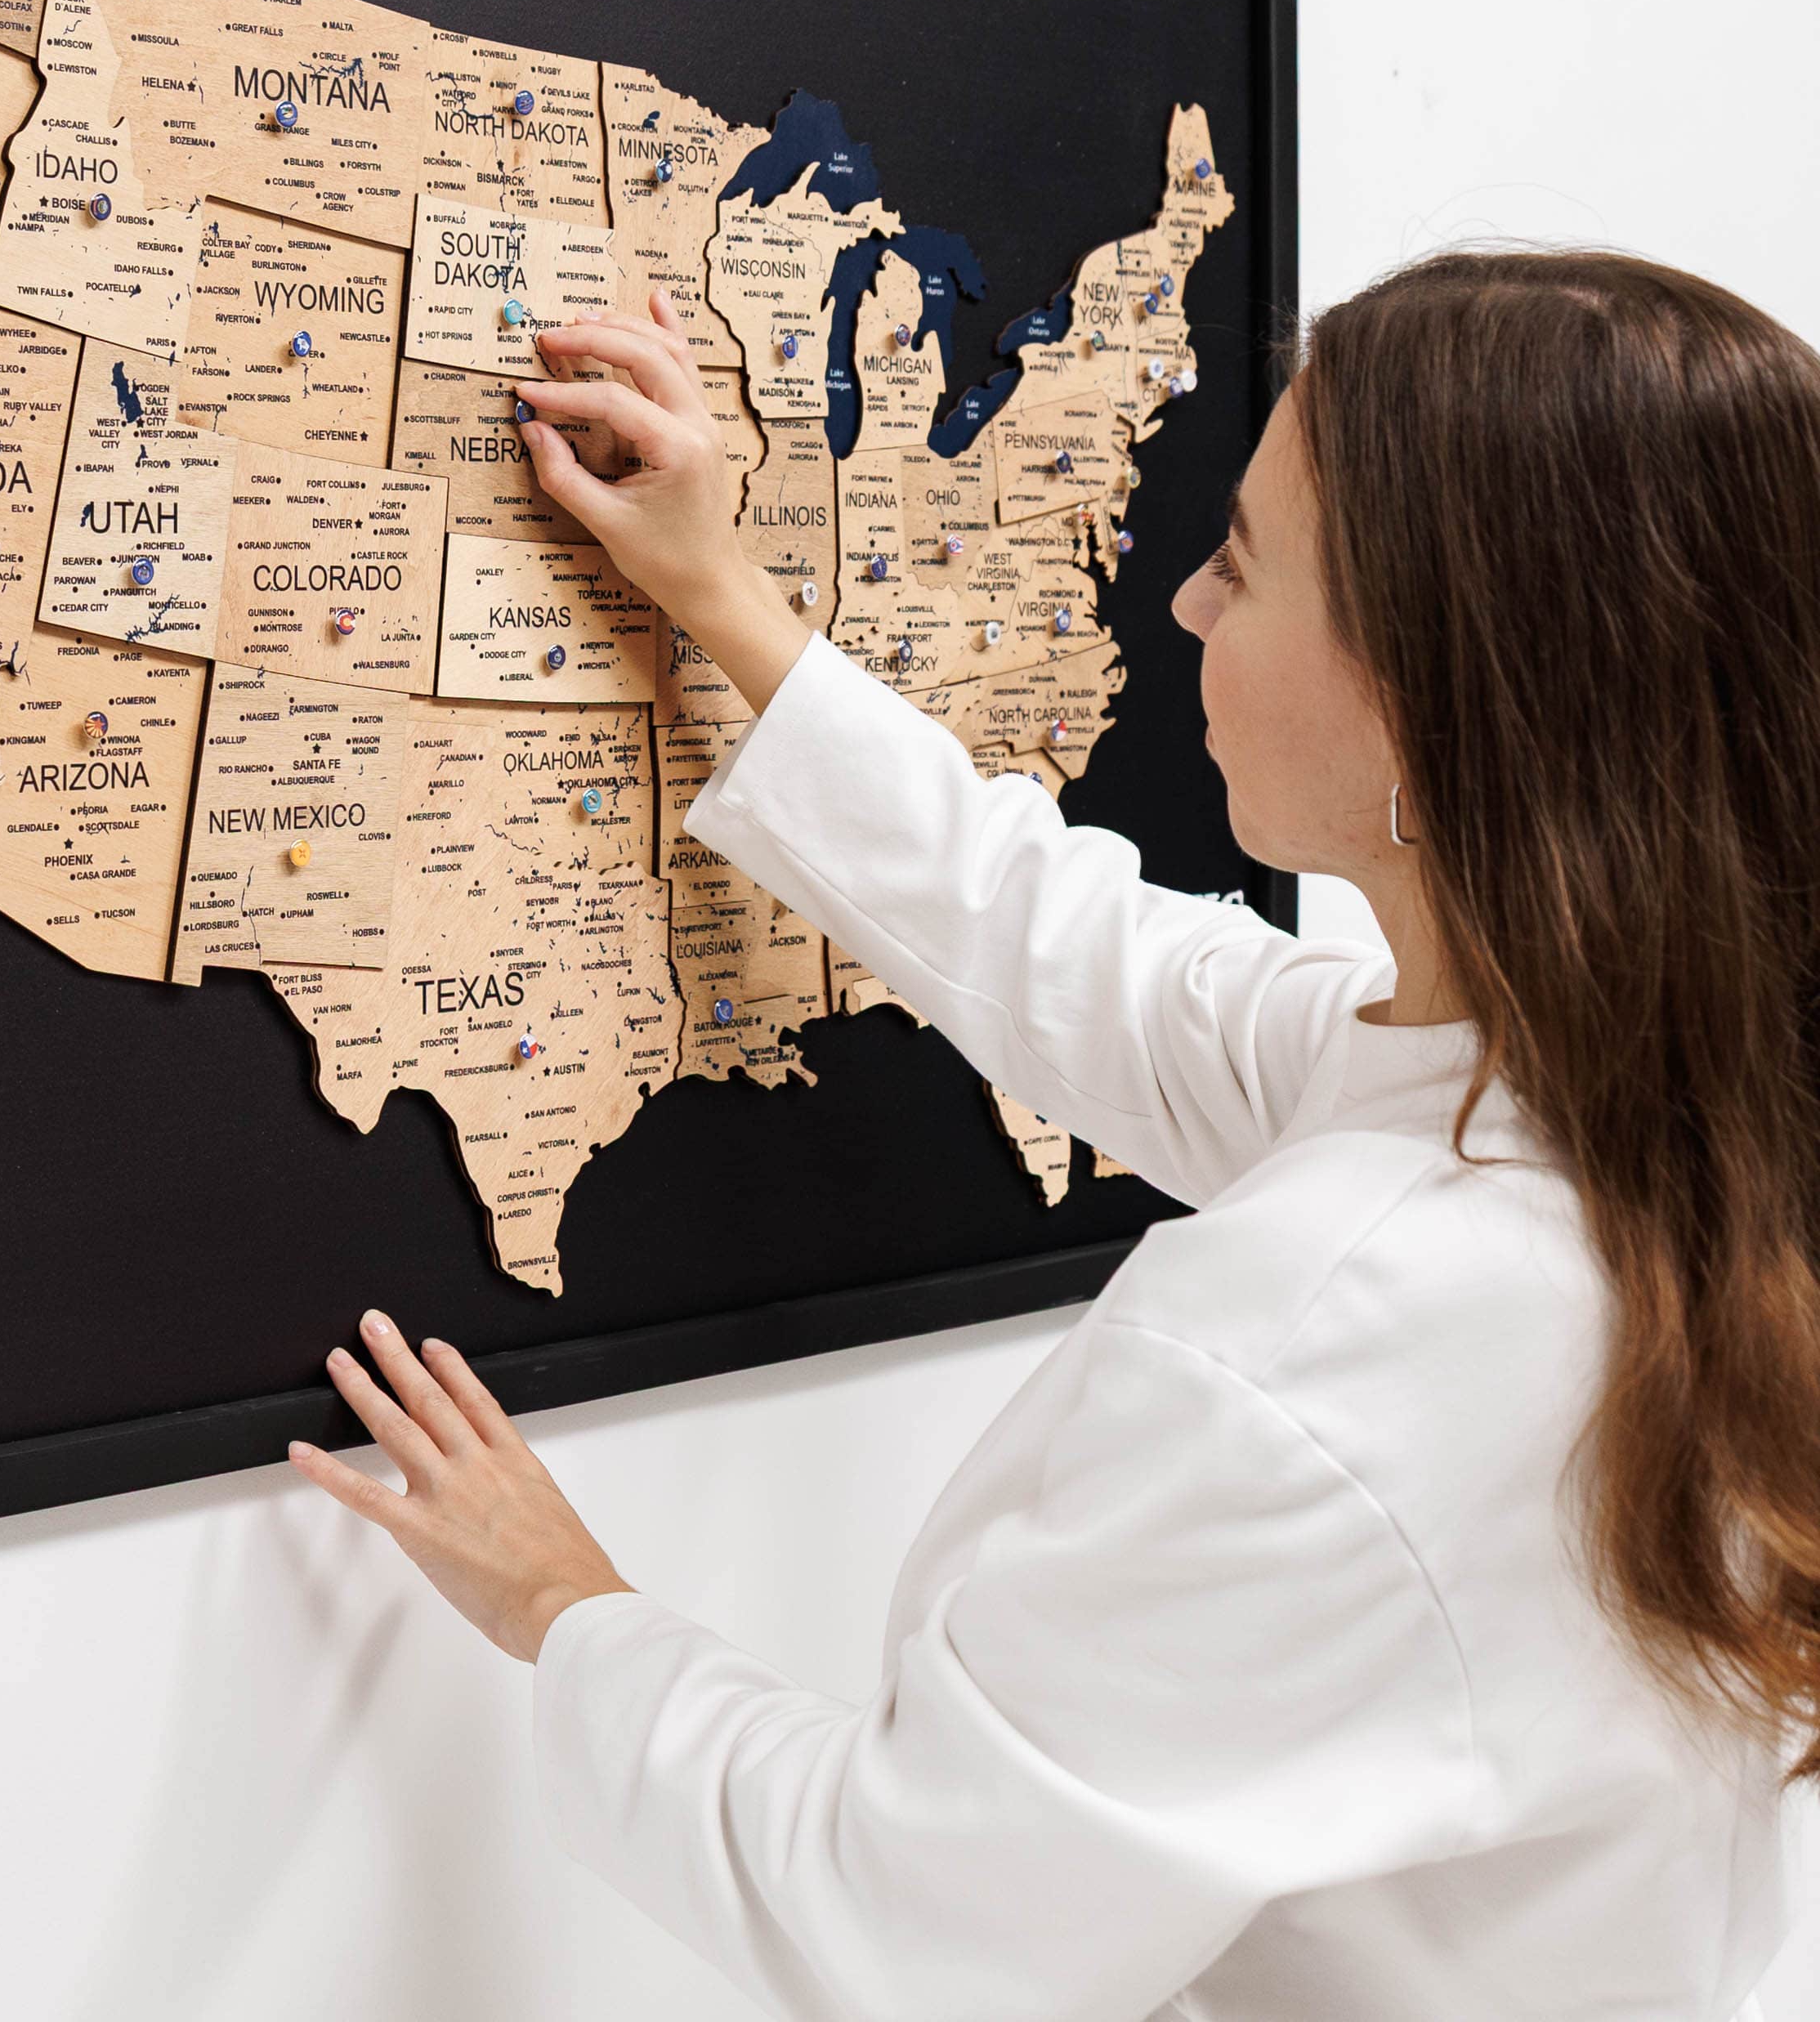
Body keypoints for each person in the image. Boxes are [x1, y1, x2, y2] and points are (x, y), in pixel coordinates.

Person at [288, 251, 1820, 2018]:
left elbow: (898, 1925)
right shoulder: (1660, 1117)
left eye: (1243, 565)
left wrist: (569, 1610)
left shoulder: (1332, 1343)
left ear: (1427, 704)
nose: (1181, 606)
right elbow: (1095, 963)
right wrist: (724, 601)